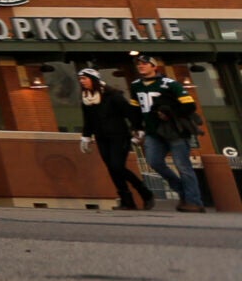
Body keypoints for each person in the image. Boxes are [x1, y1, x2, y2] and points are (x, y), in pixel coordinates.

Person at [128, 55, 206, 213]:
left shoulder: (169, 84)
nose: (141, 66)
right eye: (139, 64)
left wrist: (171, 113)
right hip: (152, 131)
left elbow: (189, 105)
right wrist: (137, 127)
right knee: (154, 162)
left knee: (183, 166)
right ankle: (183, 192)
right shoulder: (136, 85)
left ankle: (193, 201)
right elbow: (135, 109)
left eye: (145, 64)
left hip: (174, 130)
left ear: (154, 67)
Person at [75, 68, 149, 212]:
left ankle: (144, 192)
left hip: (119, 136)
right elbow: (88, 120)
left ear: (93, 79)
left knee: (117, 166)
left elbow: (129, 112)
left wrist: (138, 128)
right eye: (80, 79)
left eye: (84, 78)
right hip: (102, 137)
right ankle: (127, 201)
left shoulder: (113, 95)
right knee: (112, 169)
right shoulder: (86, 98)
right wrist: (86, 136)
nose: (82, 81)